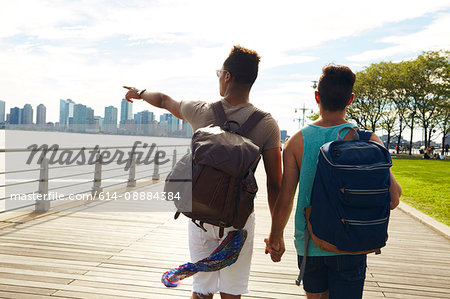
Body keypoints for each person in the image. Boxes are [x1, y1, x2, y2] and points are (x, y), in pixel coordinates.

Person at [124, 45, 282, 299]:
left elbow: (164, 100)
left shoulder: (202, 111)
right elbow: (276, 183)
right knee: (232, 293)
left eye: (220, 72)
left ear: (227, 76)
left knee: (202, 290)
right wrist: (276, 233)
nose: (219, 76)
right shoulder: (266, 124)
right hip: (238, 222)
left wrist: (139, 92)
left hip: (200, 214)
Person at [264, 64, 402, 299]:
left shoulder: (297, 141)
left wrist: (276, 236)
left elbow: (286, 196)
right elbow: (394, 197)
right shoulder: (369, 139)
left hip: (310, 242)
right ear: (350, 100)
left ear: (317, 96)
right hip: (353, 241)